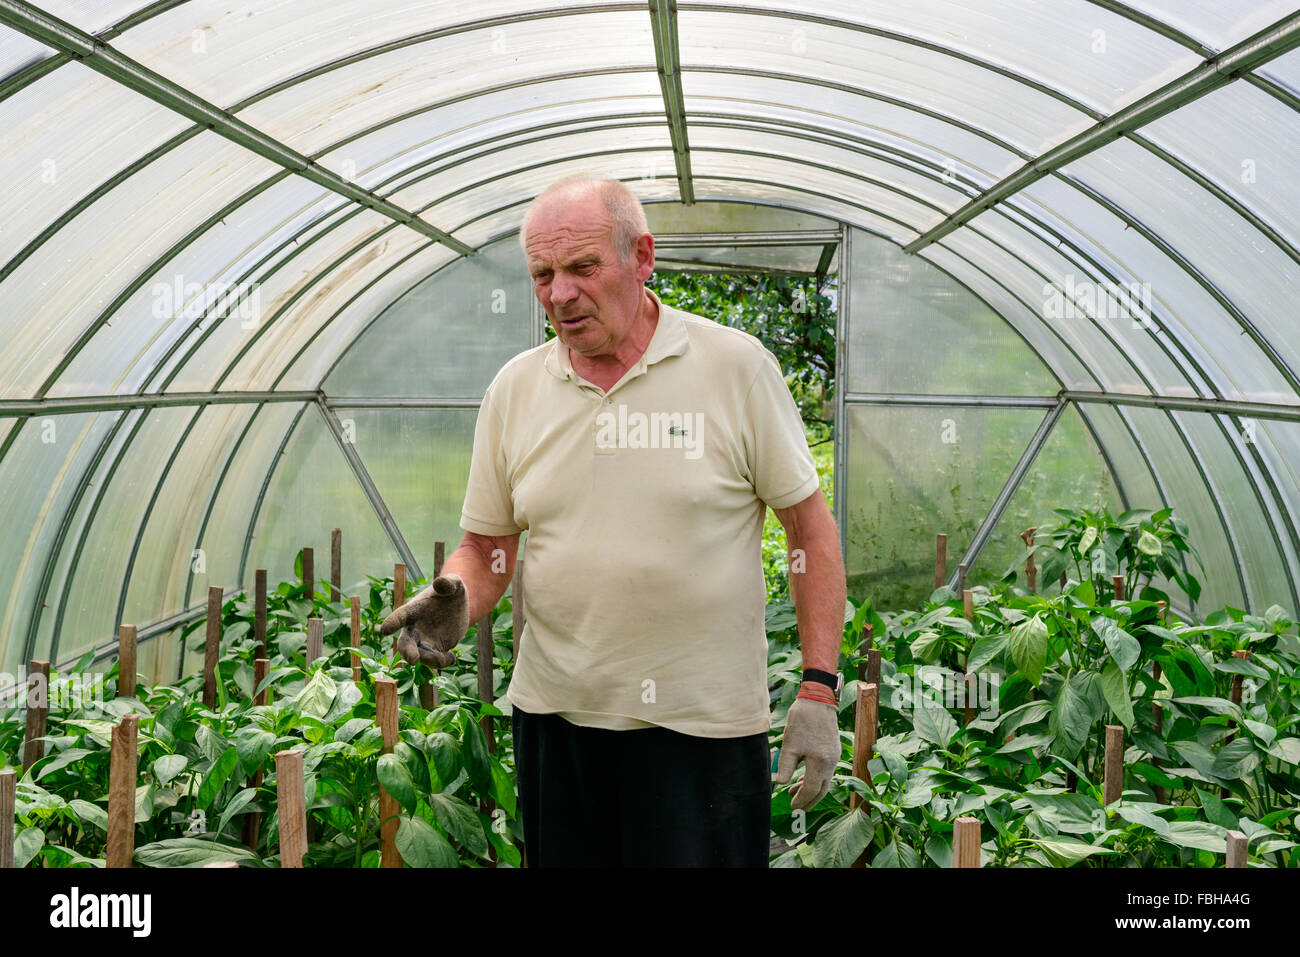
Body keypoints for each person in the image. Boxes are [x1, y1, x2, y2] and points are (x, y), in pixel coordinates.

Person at [380, 176, 846, 867]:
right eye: (542, 274)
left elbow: (809, 531)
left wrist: (818, 688)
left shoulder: (735, 369)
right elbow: (488, 546)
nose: (559, 293)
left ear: (643, 257)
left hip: (703, 730)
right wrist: (459, 594)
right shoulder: (515, 389)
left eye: (581, 267)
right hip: (557, 724)